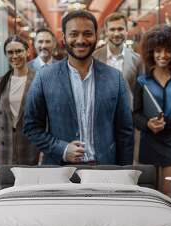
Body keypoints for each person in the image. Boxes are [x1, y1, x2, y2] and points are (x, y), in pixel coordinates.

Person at [23, 10, 134, 165]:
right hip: (60, 172)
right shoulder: (44, 77)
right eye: (74, 34)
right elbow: (31, 127)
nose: (81, 40)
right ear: (64, 38)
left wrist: (125, 173)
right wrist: (61, 149)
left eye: (87, 33)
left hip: (104, 171)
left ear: (96, 36)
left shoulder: (115, 78)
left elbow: (125, 133)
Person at [133, 26, 171, 197]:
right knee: (149, 192)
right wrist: (148, 124)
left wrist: (168, 123)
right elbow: (135, 114)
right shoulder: (142, 81)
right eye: (158, 50)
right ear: (151, 52)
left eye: (168, 51)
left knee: (168, 192)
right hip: (149, 140)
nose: (163, 55)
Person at [93, 12, 143, 164]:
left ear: (126, 31)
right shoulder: (94, 57)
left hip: (128, 120)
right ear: (106, 31)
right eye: (112, 29)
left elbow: (139, 93)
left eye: (120, 29)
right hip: (99, 119)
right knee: (101, 161)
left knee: (126, 161)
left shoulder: (137, 60)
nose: (116, 33)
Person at [0, 35, 39, 171]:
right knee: (5, 190)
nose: (14, 56)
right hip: (4, 150)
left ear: (27, 52)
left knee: (28, 191)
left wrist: (43, 154)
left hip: (30, 149)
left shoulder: (39, 80)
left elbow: (47, 121)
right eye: (10, 52)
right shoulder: (0, 82)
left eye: (19, 51)